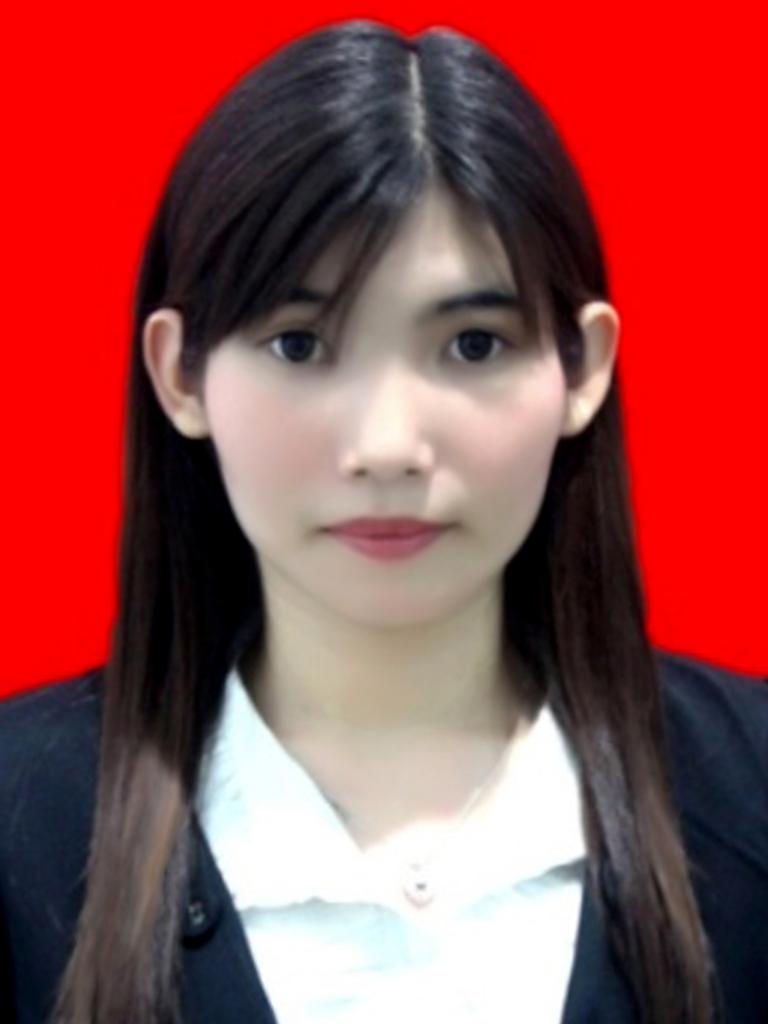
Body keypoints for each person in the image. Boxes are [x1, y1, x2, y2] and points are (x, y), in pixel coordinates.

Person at [1, 17, 766, 1024]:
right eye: (301, 343)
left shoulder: (750, 786)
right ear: (179, 374)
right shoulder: (23, 822)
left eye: (475, 345)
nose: (389, 444)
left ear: (582, 367)